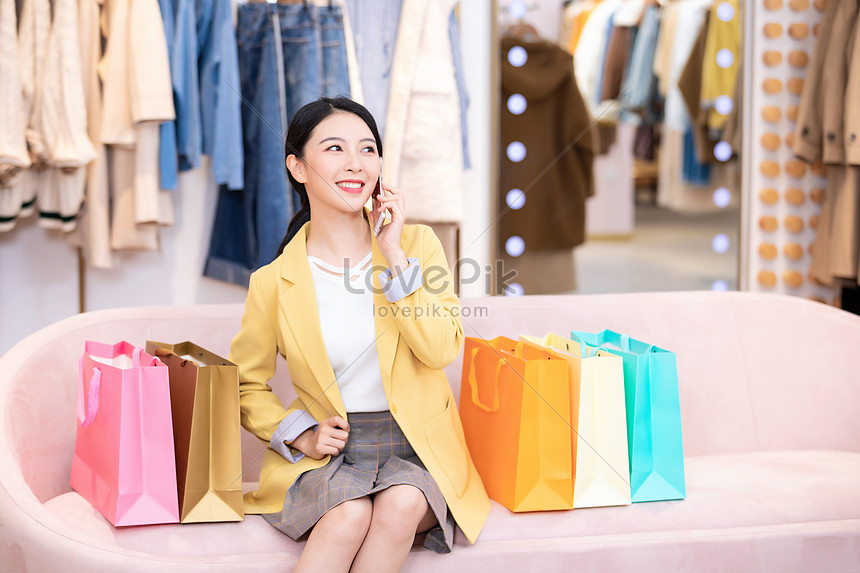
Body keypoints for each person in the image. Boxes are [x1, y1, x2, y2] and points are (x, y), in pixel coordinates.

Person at [228, 97, 490, 573]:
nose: (356, 164)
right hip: (333, 455)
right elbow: (244, 385)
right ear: (298, 167)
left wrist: (393, 254)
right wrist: (300, 433)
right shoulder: (273, 281)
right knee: (347, 513)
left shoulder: (415, 247)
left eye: (368, 149)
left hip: (418, 448)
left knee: (401, 504)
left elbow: (440, 350)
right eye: (334, 149)